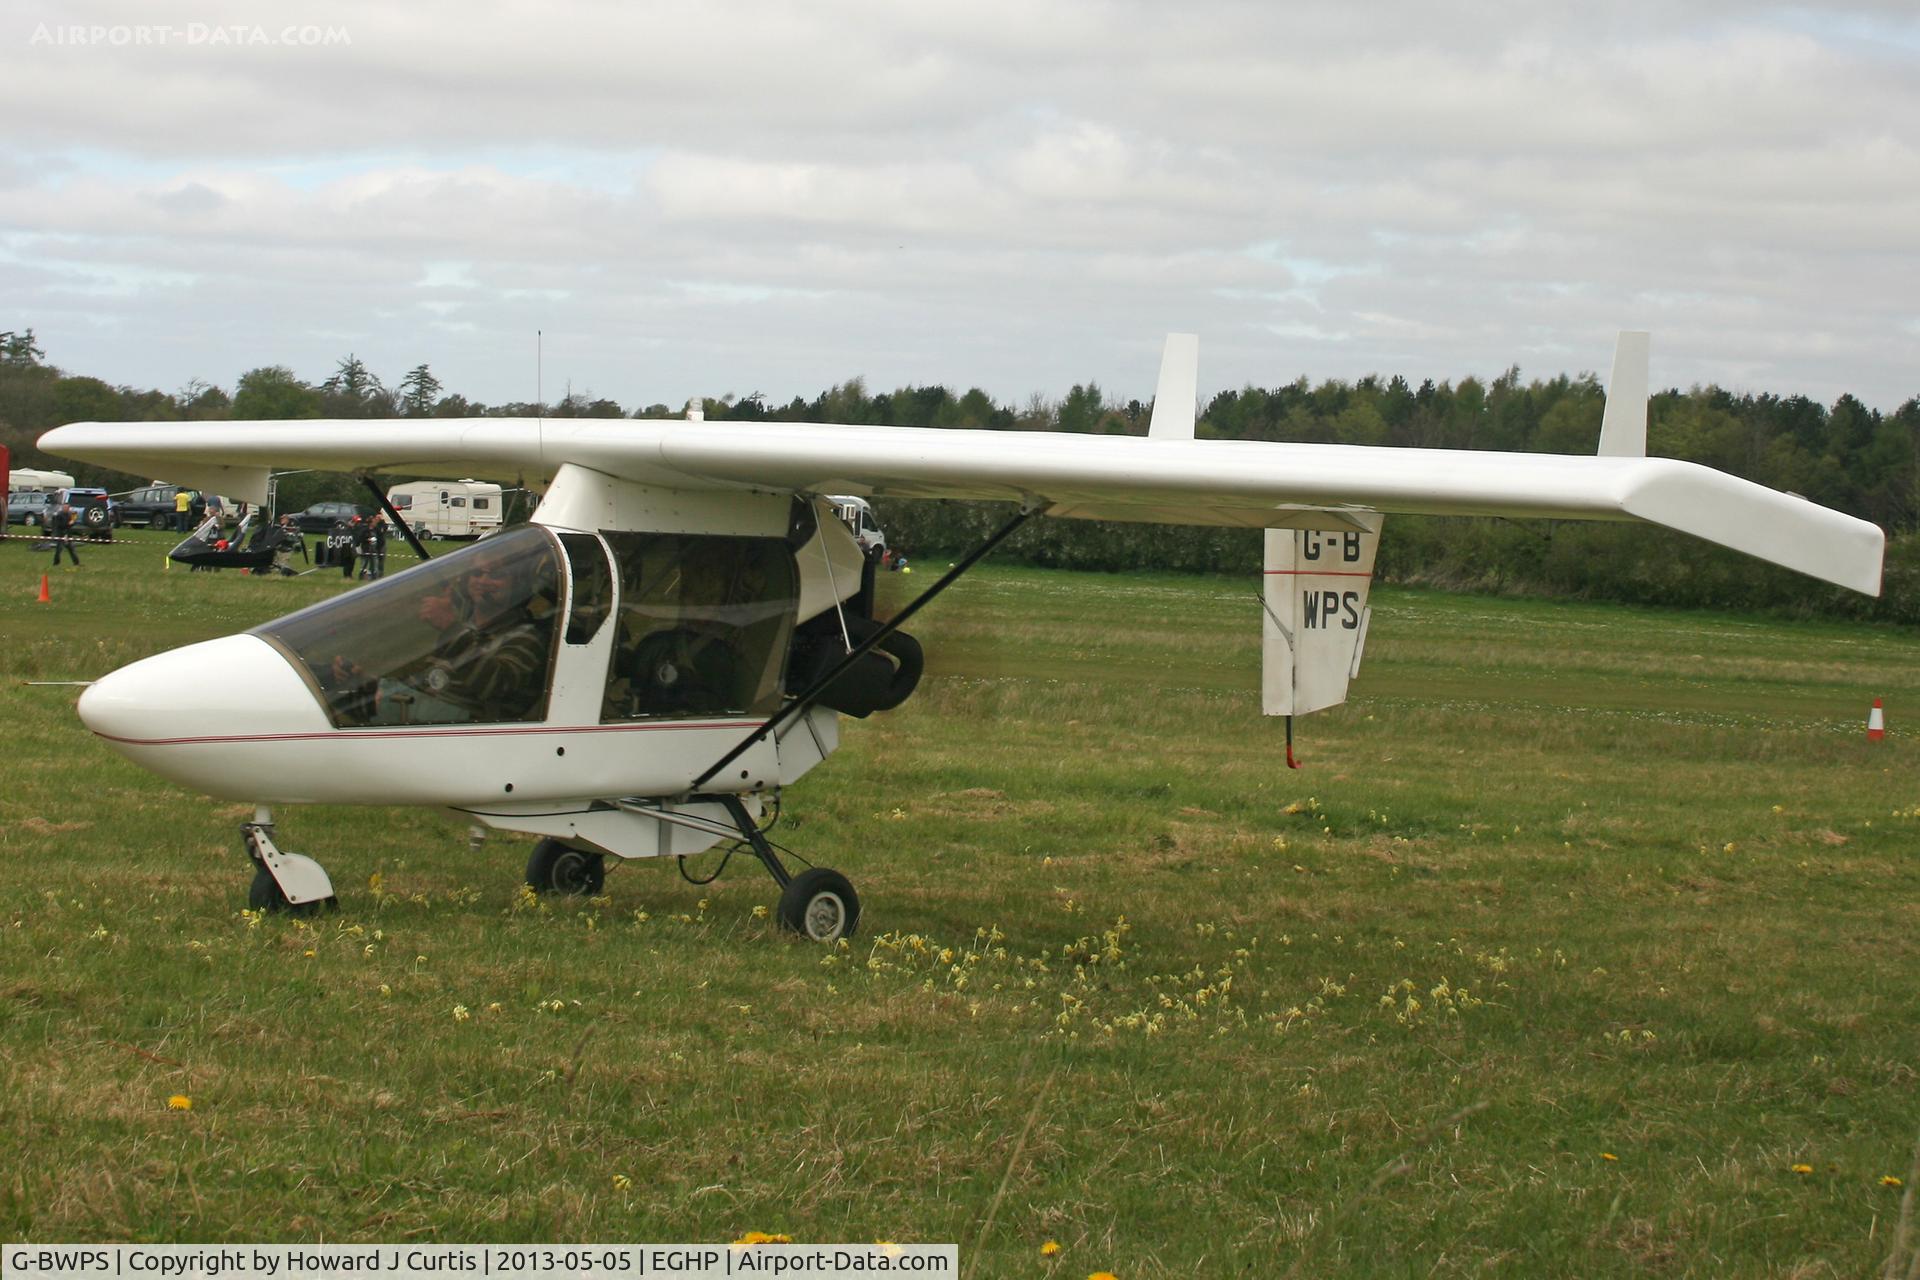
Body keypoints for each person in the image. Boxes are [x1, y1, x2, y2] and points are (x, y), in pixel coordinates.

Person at [48, 499, 80, 566]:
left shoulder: (70, 514)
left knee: (72, 550)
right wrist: (69, 523)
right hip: (61, 534)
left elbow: (73, 523)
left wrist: (73, 521)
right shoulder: (59, 515)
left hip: (68, 535)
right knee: (59, 550)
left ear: (69, 508)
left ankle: (76, 563)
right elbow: (60, 525)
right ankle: (56, 563)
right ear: (62, 508)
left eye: (67, 507)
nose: (65, 508)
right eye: (64, 507)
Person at [365, 513, 389, 579]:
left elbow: (383, 530)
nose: (378, 519)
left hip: (381, 545)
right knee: (373, 561)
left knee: (381, 561)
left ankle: (380, 574)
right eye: (377, 517)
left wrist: (382, 521)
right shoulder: (374, 525)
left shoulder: (383, 525)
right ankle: (372, 574)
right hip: (374, 546)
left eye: (379, 517)